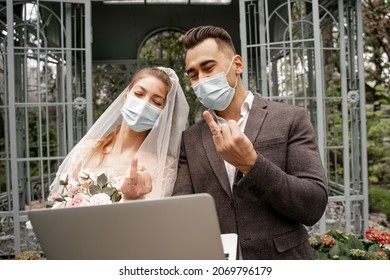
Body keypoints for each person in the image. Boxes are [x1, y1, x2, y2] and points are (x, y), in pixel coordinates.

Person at [172, 25, 328, 259]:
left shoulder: (290, 118)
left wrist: (252, 165)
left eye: (208, 67)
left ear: (237, 65)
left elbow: (313, 204)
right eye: (193, 74)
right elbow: (183, 213)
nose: (201, 80)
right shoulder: (190, 139)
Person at [49, 66, 189, 202]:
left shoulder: (165, 166)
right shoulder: (86, 151)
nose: (144, 104)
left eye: (156, 102)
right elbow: (60, 204)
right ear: (126, 95)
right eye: (139, 94)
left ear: (164, 113)